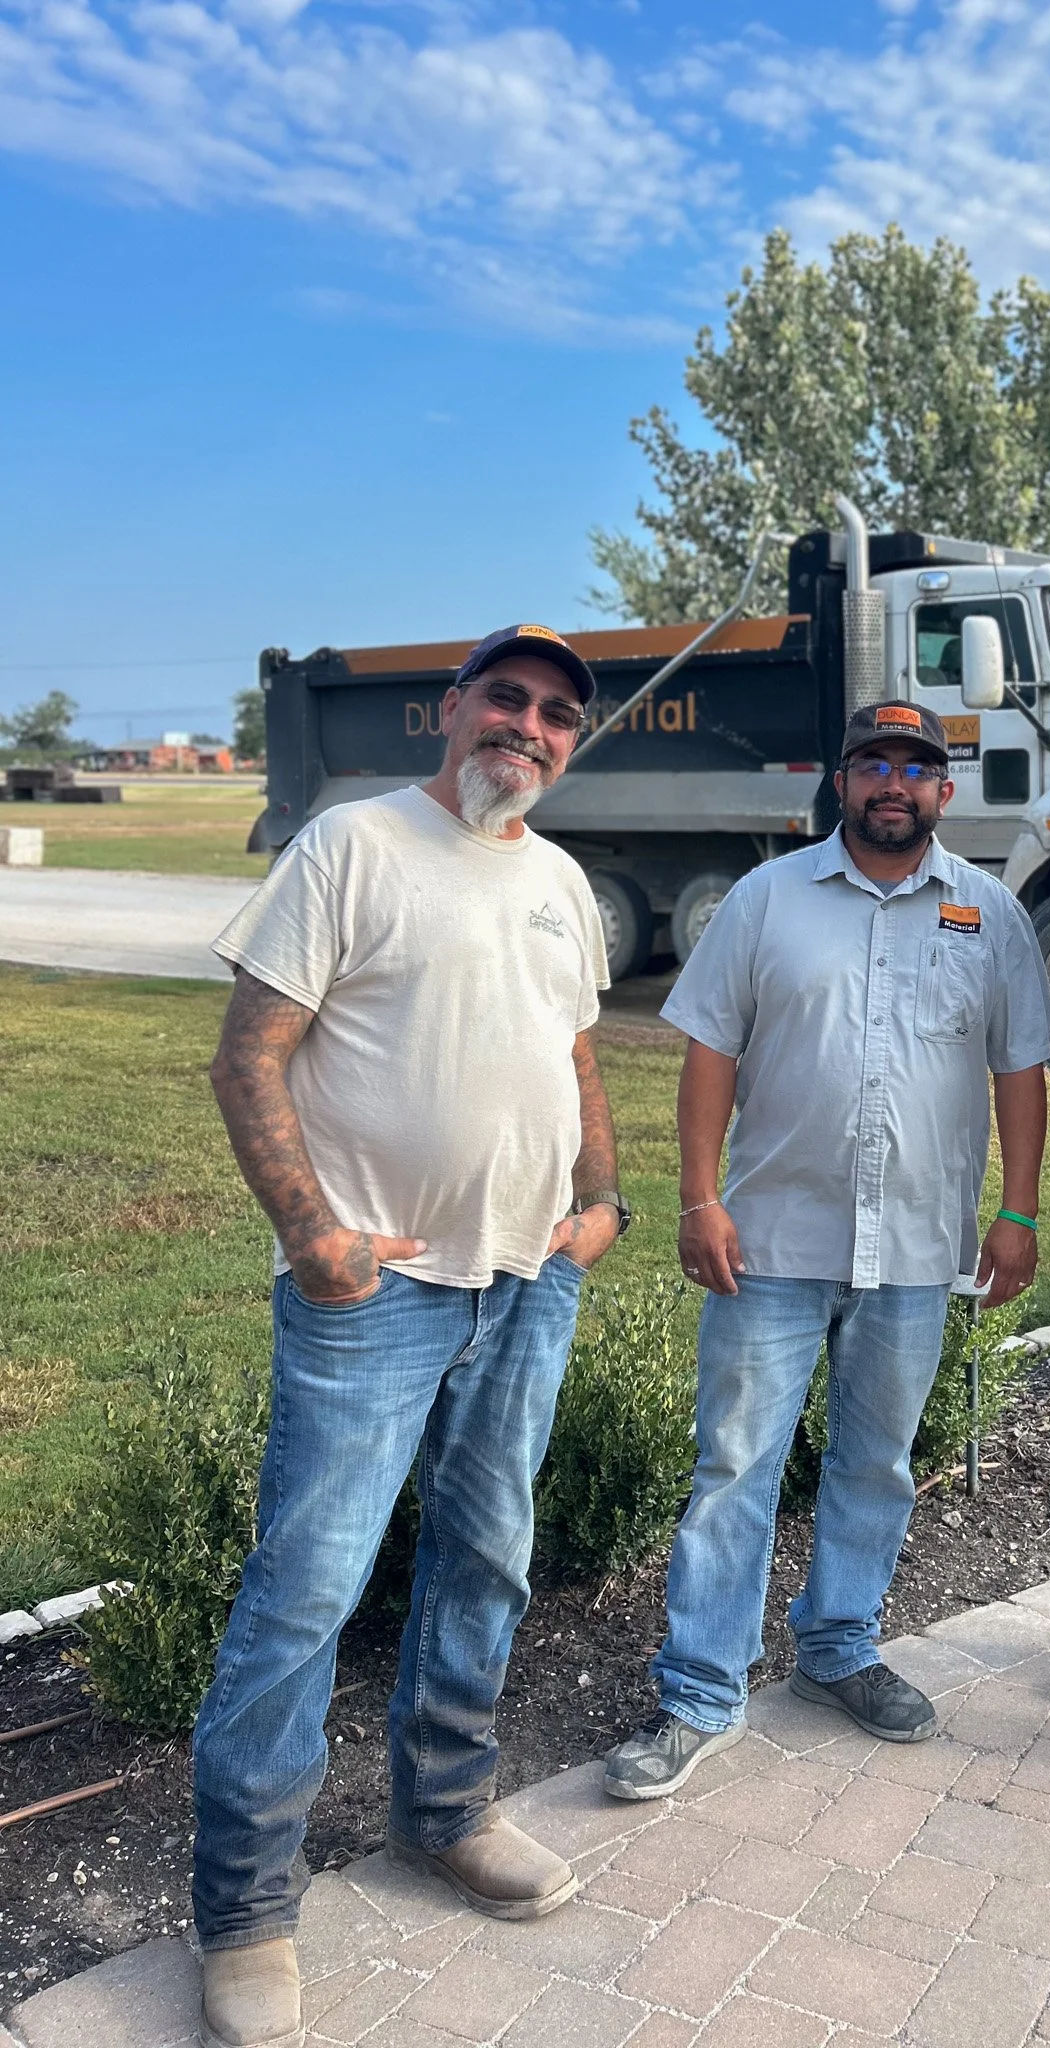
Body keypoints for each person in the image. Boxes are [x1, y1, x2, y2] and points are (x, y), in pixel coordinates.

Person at [192, 625, 628, 2048]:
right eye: (506, 697)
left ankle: (444, 1811)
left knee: (487, 1557)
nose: (529, 725)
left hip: (527, 1280)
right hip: (374, 1297)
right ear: (450, 709)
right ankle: (246, 1910)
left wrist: (603, 1201)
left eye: (556, 713)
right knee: (306, 1593)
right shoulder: (352, 846)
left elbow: (574, 1053)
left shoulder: (560, 882)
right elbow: (248, 1053)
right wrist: (313, 1235)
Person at [603, 700, 1050, 1799]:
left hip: (915, 1244)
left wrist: (1022, 1211)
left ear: (944, 789)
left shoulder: (991, 912)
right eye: (872, 764)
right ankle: (701, 1689)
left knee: (877, 1461)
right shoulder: (766, 899)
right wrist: (698, 1198)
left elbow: (1019, 1069)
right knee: (734, 1466)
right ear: (841, 781)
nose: (893, 783)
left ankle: (839, 1647)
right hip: (771, 1240)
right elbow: (710, 1052)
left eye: (915, 767)